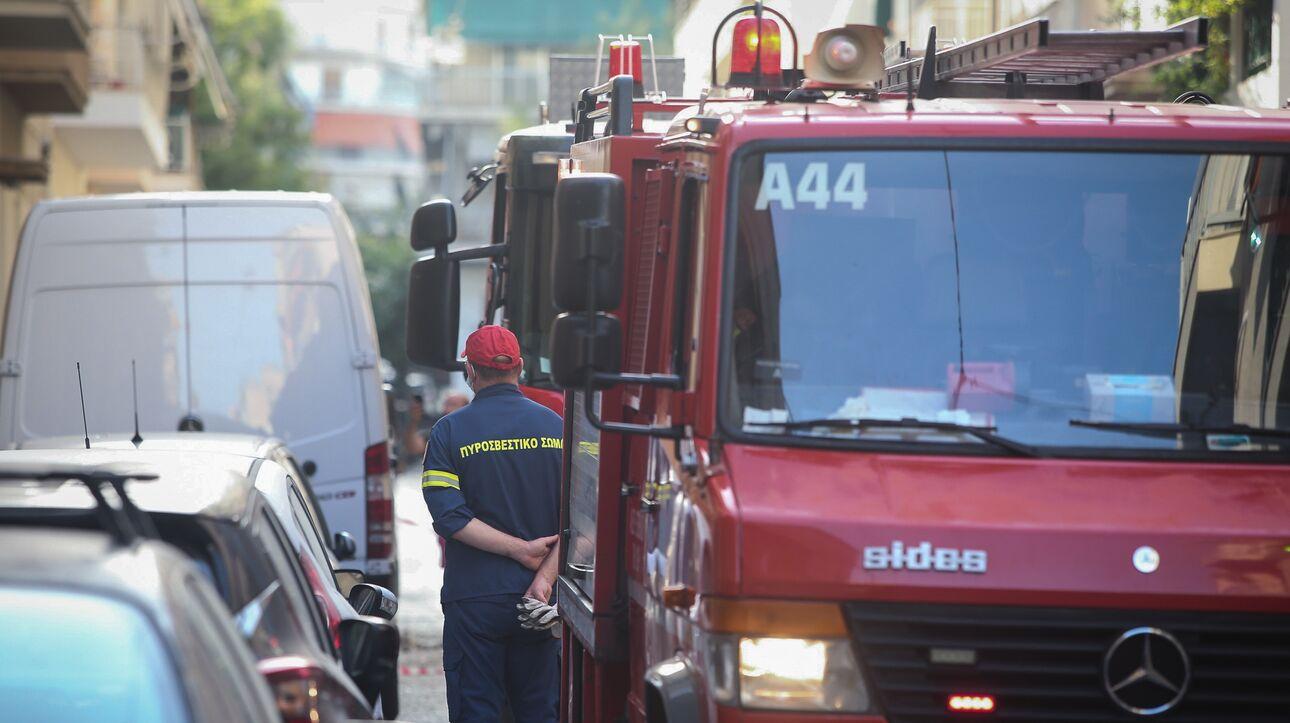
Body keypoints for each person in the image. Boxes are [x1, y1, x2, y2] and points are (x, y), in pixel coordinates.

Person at [421, 325, 562, 722]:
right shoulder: (557, 428)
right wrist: (544, 579)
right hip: (538, 602)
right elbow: (580, 524)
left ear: (471, 371)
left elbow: (448, 516)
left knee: (476, 711)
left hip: (476, 602)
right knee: (538, 710)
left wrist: (518, 550)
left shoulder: (449, 432)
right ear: (519, 367)